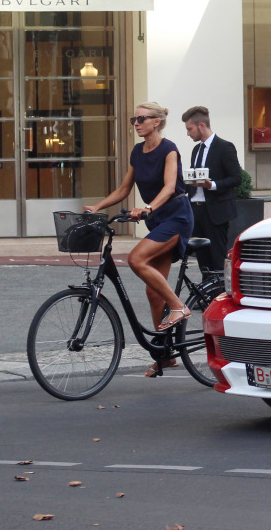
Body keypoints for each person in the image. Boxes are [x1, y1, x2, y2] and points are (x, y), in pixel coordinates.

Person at [85, 102, 194, 347]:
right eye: (134, 120)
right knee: (153, 294)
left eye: (141, 119)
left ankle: (178, 307)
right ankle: (164, 354)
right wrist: (97, 207)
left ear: (156, 122)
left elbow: (169, 187)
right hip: (156, 220)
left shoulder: (169, 150)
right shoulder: (137, 152)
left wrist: (148, 208)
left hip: (176, 217)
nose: (136, 124)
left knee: (136, 259)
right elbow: (124, 189)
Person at [182, 105, 242, 276]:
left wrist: (212, 185)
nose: (188, 133)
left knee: (217, 259)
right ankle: (205, 299)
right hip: (197, 211)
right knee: (202, 260)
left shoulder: (225, 147)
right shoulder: (196, 149)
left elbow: (237, 178)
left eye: (189, 129)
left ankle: (219, 296)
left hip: (216, 212)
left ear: (201, 125)